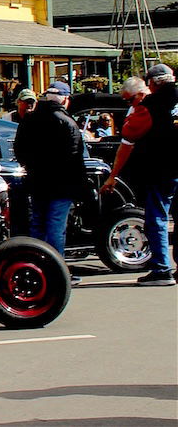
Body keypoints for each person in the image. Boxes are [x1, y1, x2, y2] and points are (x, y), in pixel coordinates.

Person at [99, 65, 178, 286]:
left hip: (163, 171)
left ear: (152, 84)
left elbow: (127, 141)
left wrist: (113, 175)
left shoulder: (148, 107)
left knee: (157, 219)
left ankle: (162, 270)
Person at [13, 81, 88, 279]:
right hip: (61, 183)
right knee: (55, 226)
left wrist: (33, 166)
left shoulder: (30, 119)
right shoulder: (67, 122)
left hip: (38, 180)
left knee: (38, 225)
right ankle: (57, 271)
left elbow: (19, 150)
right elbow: (75, 157)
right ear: (65, 99)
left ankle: (38, 266)